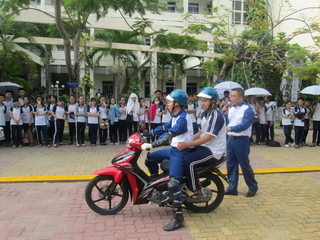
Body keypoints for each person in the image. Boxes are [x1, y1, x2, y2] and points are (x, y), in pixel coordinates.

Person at [144, 89, 193, 231]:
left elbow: (169, 135)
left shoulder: (183, 119)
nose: (167, 104)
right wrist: (148, 133)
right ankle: (157, 184)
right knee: (150, 158)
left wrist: (152, 144)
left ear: (177, 104)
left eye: (170, 102)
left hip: (181, 152)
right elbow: (165, 127)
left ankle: (178, 218)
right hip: (173, 149)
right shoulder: (176, 116)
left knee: (173, 183)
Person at [177, 87, 226, 197]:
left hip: (213, 150)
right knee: (183, 153)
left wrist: (187, 144)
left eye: (205, 101)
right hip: (204, 146)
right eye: (201, 100)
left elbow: (208, 137)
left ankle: (194, 189)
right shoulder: (204, 114)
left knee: (189, 161)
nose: (202, 103)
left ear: (213, 101)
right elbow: (199, 133)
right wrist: (184, 140)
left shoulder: (216, 116)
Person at [225, 88, 258, 197]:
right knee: (231, 164)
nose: (231, 98)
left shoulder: (247, 109)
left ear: (241, 97)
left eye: (234, 96)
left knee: (244, 165)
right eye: (231, 96)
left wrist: (231, 129)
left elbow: (245, 125)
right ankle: (232, 187)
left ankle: (252, 186)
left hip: (241, 140)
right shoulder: (230, 108)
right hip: (230, 140)